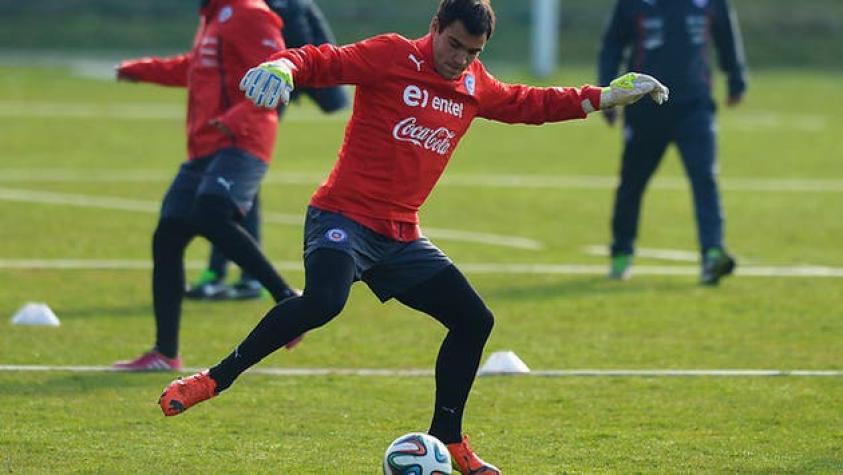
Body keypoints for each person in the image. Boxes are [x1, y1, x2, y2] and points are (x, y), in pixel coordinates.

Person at [157, 0, 668, 472]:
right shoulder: (389, 55)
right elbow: (322, 59)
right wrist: (283, 64)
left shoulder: (473, 83)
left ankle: (450, 440)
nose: (461, 60)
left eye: (473, 53)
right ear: (435, 28)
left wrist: (604, 97)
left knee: (474, 320)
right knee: (324, 302)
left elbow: (529, 102)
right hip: (341, 216)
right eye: (455, 46)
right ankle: (211, 379)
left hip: (400, 236)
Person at [112, 0, 302, 371]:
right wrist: (142, 70)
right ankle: (165, 354)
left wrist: (236, 117)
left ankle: (286, 298)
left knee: (210, 212)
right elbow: (194, 68)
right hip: (205, 147)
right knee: (167, 235)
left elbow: (273, 76)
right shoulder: (213, 16)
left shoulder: (249, 12)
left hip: (242, 139)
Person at [186, 0, 349, 301]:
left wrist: (305, 87)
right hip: (256, 93)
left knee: (232, 185)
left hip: (264, 95)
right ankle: (230, 274)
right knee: (237, 187)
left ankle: (232, 275)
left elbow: (302, 39)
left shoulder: (266, 8)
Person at [599, 0, 748, 285]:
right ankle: (621, 253)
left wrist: (736, 78)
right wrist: (608, 95)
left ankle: (712, 254)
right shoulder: (633, 4)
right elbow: (612, 45)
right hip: (645, 109)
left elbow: (726, 36)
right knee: (632, 182)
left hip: (695, 107)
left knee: (705, 178)